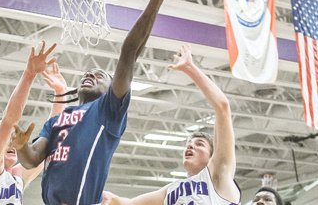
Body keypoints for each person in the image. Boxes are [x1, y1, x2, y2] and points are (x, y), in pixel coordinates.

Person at [12, 0, 180, 205]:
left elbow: (130, 52)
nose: (90, 73)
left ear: (113, 88)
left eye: (99, 75)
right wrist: (21, 146)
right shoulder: (59, 120)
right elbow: (32, 159)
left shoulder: (108, 110)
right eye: (87, 72)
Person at [101, 45, 241, 205]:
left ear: (212, 156)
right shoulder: (172, 190)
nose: (191, 147)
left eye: (199, 144)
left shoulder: (220, 173)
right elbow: (128, 203)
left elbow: (222, 107)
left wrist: (190, 68)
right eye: (189, 144)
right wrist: (104, 196)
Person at [0, 41, 66, 204]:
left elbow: (50, 144)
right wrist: (29, 75)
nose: (10, 142)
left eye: (11, 139)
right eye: (5, 139)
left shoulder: (16, 177)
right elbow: (9, 121)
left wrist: (60, 93)